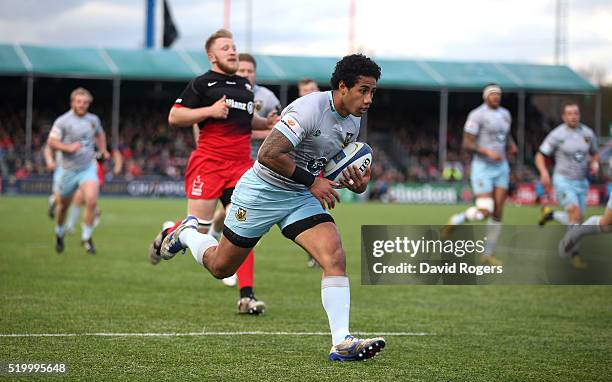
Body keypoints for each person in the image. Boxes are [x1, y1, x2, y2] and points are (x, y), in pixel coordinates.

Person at [158, 54, 386, 361]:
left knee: (334, 255)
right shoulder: (309, 109)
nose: (369, 98)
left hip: (299, 196)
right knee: (221, 267)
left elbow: (333, 167)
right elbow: (268, 153)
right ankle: (187, 233)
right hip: (261, 193)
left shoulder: (353, 121)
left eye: (373, 91)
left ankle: (341, 341)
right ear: (343, 87)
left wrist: (356, 184)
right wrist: (313, 182)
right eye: (363, 90)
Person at [148, 29, 276, 315]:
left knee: (243, 227)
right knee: (200, 229)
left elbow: (246, 120)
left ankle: (246, 296)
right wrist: (209, 111)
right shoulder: (202, 83)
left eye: (233, 46)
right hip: (209, 164)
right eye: (225, 48)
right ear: (212, 55)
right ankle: (171, 231)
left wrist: (266, 122)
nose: (232, 51)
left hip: (241, 167)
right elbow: (175, 116)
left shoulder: (244, 86)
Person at [208, 52, 281, 287]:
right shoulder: (224, 93)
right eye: (242, 71)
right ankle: (186, 233)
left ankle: (242, 286)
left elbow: (279, 129)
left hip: (259, 164)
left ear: (255, 73)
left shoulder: (267, 97)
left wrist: (261, 130)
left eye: (250, 71)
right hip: (227, 162)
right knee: (233, 215)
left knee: (236, 215)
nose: (246, 74)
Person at [443, 84, 517, 266]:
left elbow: (505, 136)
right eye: (492, 94)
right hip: (483, 167)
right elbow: (467, 143)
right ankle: (457, 219)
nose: (496, 97)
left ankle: (487, 254)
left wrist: (511, 145)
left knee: (498, 212)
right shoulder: (477, 115)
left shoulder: (506, 114)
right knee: (485, 210)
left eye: (498, 94)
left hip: (501, 168)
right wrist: (487, 152)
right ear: (485, 97)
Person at [535, 102, 599, 267]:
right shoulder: (557, 135)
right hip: (563, 179)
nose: (573, 116)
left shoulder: (588, 133)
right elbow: (540, 156)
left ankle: (550, 215)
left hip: (582, 182)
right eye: (569, 113)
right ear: (563, 116)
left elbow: (595, 154)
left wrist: (594, 164)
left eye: (576, 113)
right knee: (575, 215)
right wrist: (543, 173)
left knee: (578, 220)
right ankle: (573, 253)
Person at [47, 87, 109, 254]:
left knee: (91, 199)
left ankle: (86, 238)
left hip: (87, 168)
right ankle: (59, 234)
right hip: (67, 170)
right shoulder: (63, 121)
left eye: (85, 102)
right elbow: (52, 141)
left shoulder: (93, 120)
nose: (82, 105)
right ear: (72, 102)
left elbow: (100, 135)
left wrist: (103, 150)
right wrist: (67, 147)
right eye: (79, 102)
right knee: (63, 207)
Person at [297, 77, 321, 268]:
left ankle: (315, 252)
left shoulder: (327, 113)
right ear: (300, 94)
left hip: (317, 171)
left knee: (317, 212)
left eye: (312, 89)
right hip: (294, 174)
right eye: (305, 90)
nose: (310, 93)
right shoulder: (295, 113)